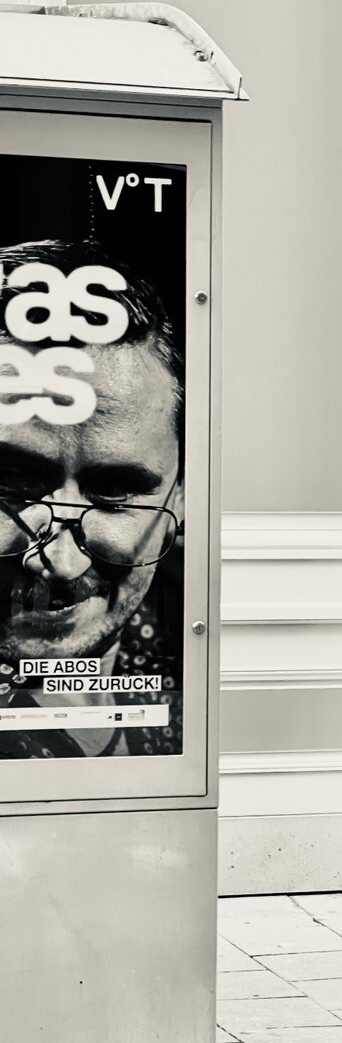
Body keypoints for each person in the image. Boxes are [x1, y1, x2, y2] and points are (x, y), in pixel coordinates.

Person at [0, 239, 184, 757]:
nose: (57, 561)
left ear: (185, 492)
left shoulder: (186, 657)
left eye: (115, 490)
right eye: (9, 481)